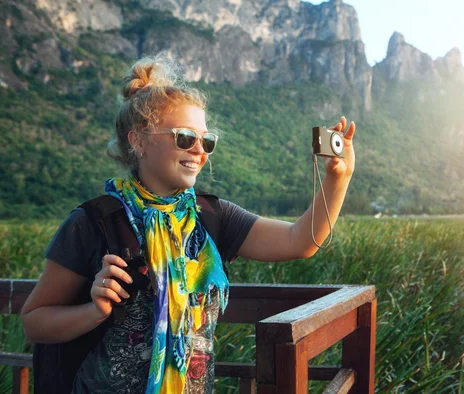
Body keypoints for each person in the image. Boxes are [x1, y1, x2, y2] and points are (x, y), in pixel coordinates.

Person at [20, 54, 356, 394]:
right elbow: (35, 322)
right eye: (184, 138)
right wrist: (94, 310)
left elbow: (300, 241)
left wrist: (338, 178)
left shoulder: (210, 216)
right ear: (138, 141)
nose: (199, 150)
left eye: (206, 141)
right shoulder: (93, 222)